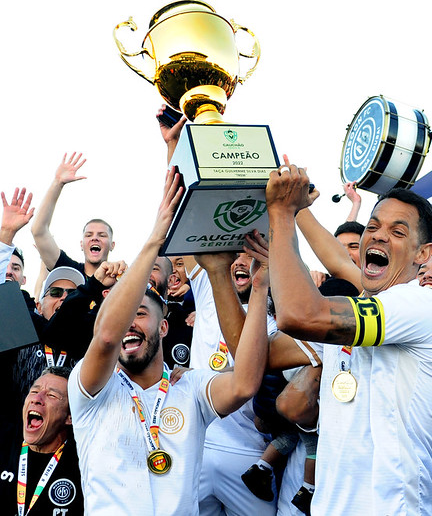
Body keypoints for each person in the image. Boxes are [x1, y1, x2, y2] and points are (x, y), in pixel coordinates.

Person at [67, 168, 271, 515]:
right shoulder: (89, 389)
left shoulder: (189, 386)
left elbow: (246, 382)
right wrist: (156, 237)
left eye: (142, 314)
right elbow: (105, 337)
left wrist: (261, 286)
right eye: (125, 313)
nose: (130, 323)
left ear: (164, 327)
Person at [267, 159, 432, 515]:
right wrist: (299, 210)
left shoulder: (422, 304)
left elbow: (299, 314)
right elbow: (340, 263)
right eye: (373, 226)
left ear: (424, 254)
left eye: (398, 232)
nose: (379, 235)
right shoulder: (367, 301)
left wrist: (281, 212)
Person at [0, 367, 84, 515]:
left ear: (70, 416)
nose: (37, 399)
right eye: (34, 391)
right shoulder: (3, 440)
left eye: (52, 395)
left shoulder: (83, 464)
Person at [30, 153, 115, 279]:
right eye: (88, 235)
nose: (95, 238)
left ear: (112, 245)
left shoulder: (121, 281)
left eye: (102, 235)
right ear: (82, 244)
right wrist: (57, 183)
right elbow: (38, 231)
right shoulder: (69, 271)